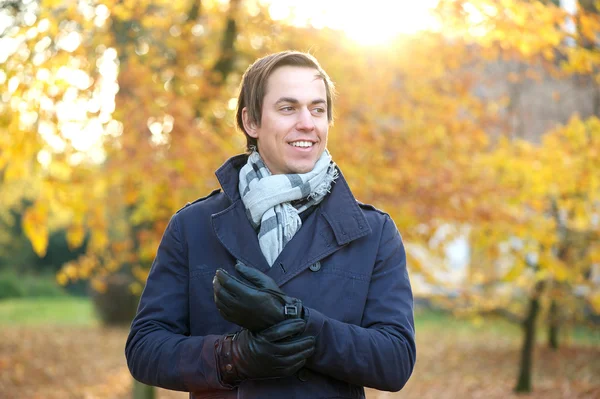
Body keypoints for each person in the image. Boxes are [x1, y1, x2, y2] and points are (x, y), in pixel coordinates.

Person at [125, 50, 416, 399]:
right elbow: (145, 349)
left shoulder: (373, 231)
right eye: (288, 108)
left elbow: (395, 360)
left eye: (318, 109)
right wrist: (234, 357)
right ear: (251, 122)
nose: (307, 122)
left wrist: (299, 322)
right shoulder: (192, 226)